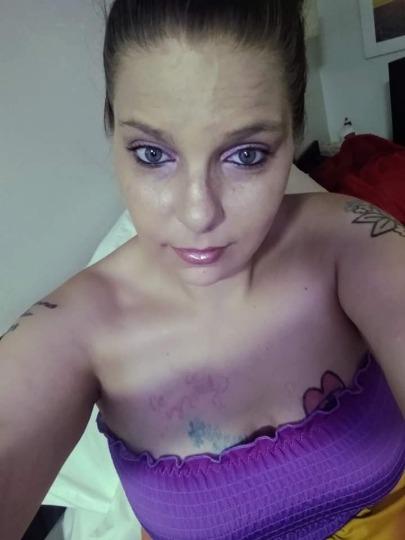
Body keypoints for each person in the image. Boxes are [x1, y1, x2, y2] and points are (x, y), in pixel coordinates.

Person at [1, 1, 404, 539]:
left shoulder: (351, 240)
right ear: (112, 133)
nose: (198, 214)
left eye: (246, 155)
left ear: (293, 134)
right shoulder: (75, 328)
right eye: (152, 154)